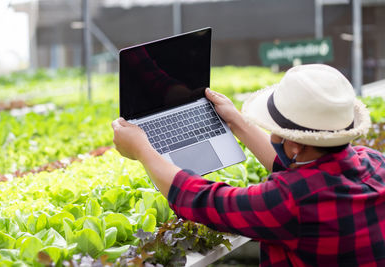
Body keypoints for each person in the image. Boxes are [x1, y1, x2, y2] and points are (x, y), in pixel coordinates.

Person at [111, 64, 385, 266]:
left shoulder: (290, 202)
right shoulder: (374, 162)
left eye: (275, 130)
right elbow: (294, 168)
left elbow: (202, 200)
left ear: (296, 144)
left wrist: (143, 149)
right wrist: (236, 122)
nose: (273, 135)